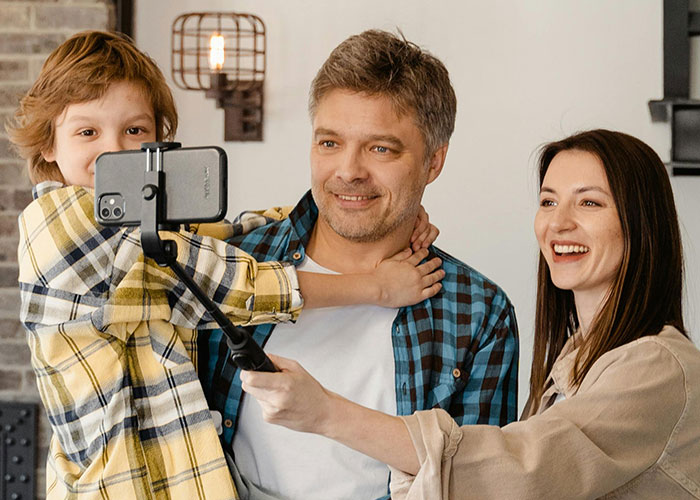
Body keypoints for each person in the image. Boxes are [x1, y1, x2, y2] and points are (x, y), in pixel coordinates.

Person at [8, 30, 444, 499]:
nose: (116, 151)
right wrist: (376, 287)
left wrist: (371, 203)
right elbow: (226, 281)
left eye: (135, 131)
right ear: (49, 144)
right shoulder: (59, 222)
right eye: (87, 132)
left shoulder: (145, 228)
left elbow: (220, 236)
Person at [242, 129, 700, 499]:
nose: (558, 223)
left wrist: (325, 413)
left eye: (589, 202)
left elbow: (522, 471)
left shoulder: (659, 368)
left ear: (641, 223)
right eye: (547, 200)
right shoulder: (574, 362)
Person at [198, 29, 519, 499]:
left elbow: (478, 485)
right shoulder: (233, 268)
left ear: (433, 162)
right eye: (329, 143)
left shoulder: (477, 313)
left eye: (380, 149)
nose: (349, 170)